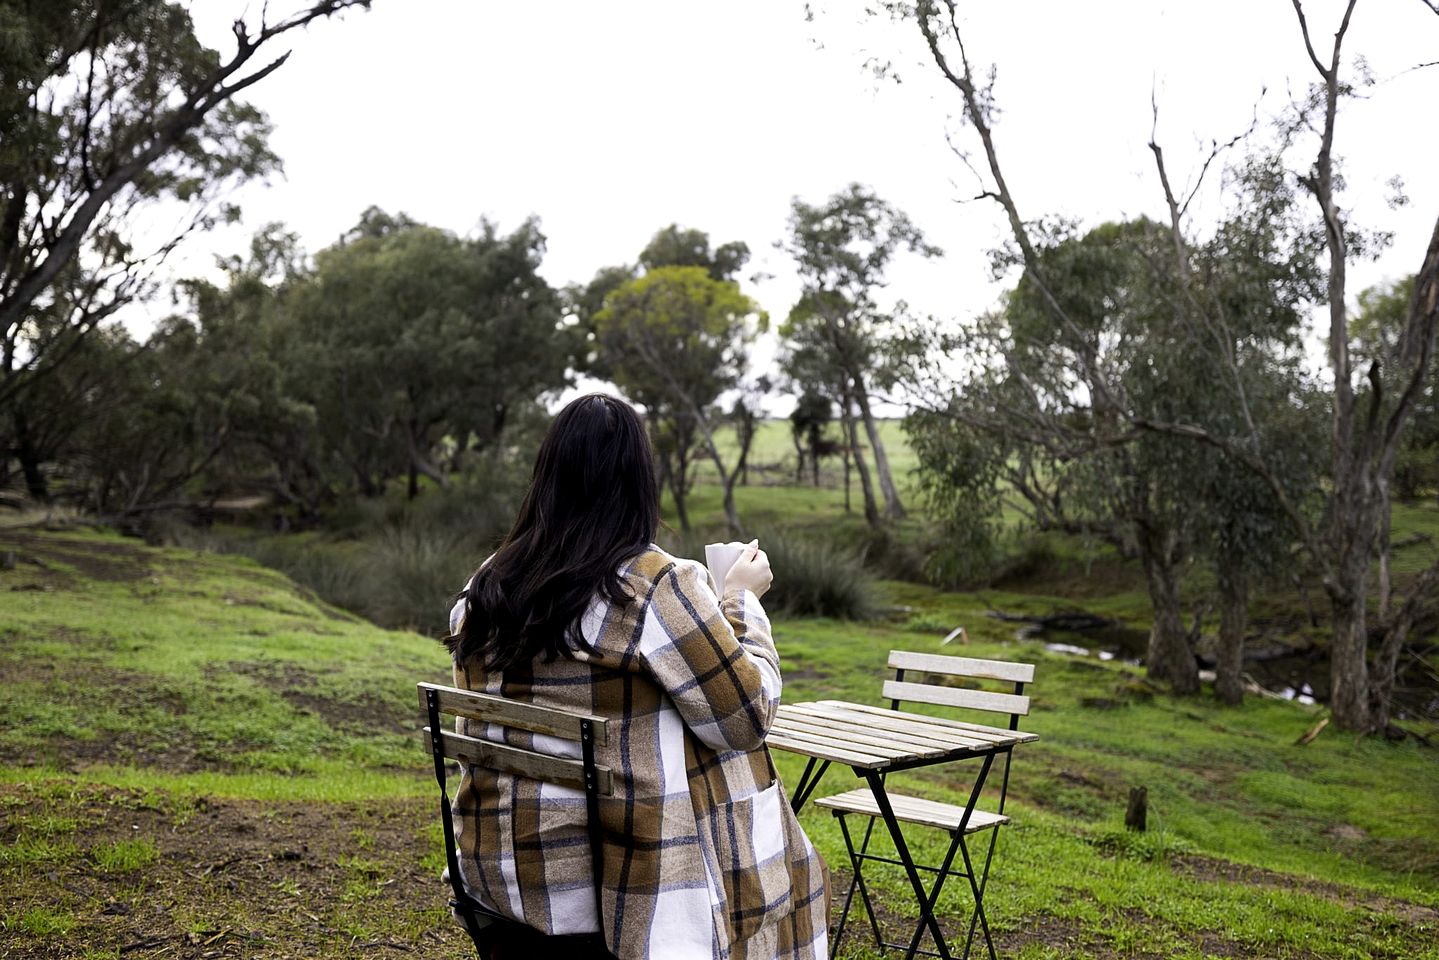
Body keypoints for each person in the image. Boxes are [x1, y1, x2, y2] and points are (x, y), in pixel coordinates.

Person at [442, 393, 829, 960]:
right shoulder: (652, 586)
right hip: (616, 898)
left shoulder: (486, 588)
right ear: (638, 482)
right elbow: (747, 718)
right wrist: (740, 603)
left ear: (546, 477)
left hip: (498, 881)